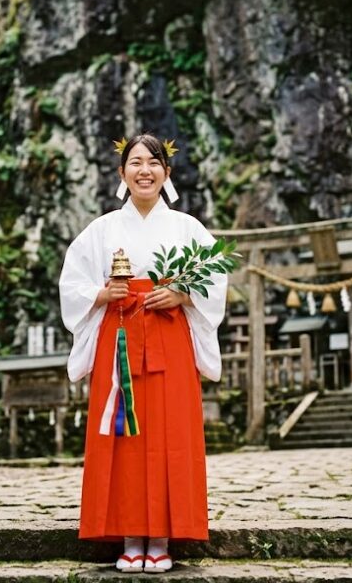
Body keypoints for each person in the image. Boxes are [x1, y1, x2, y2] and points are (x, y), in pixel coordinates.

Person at [59, 133, 228, 573]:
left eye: (153, 163)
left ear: (166, 173)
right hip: (119, 338)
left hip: (170, 339)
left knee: (170, 436)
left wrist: (183, 295)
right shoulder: (101, 231)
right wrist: (103, 292)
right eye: (135, 162)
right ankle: (130, 538)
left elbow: (217, 282)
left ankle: (162, 538)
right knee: (124, 438)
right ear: (122, 174)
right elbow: (72, 284)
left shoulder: (188, 228)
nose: (144, 170)